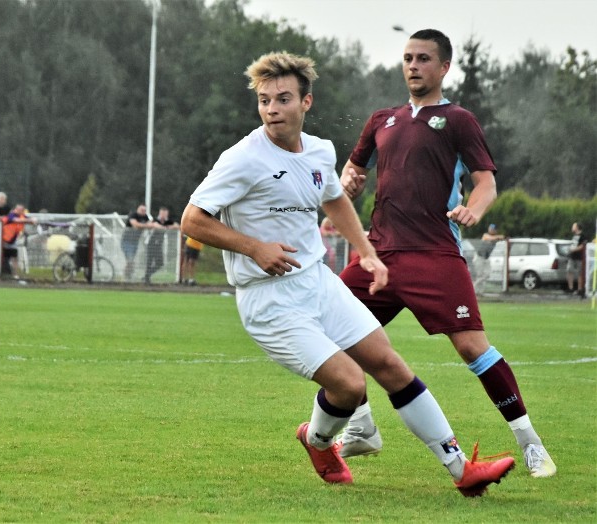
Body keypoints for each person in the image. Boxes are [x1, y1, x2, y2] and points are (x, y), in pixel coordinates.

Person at [180, 51, 514, 495]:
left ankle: (462, 472)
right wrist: (253, 247)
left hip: (316, 283)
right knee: (351, 386)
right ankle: (318, 441)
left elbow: (334, 198)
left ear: (307, 102)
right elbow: (192, 220)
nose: (272, 109)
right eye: (264, 101)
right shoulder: (242, 158)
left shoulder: (319, 151)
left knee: (390, 365)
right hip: (269, 300)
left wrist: (367, 253)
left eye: (282, 99)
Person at [338, 29, 555, 478]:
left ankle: (529, 441)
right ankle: (360, 428)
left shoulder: (458, 120)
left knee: (473, 347)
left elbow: (486, 183)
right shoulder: (383, 119)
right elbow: (354, 167)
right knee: (331, 327)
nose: (413, 65)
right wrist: (349, 181)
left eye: (422, 58)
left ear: (443, 67)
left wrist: (473, 210)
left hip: (435, 254)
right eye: (407, 58)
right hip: (378, 255)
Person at [120, 203, 157, 280]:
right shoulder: (133, 215)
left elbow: (151, 224)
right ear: (138, 209)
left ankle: (128, 275)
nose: (143, 211)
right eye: (142, 210)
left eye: (144, 210)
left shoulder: (145, 217)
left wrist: (148, 225)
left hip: (135, 243)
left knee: (131, 261)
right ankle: (126, 276)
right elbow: (135, 225)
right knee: (130, 260)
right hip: (126, 241)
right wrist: (146, 226)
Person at [144, 206, 180, 284]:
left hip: (159, 244)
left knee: (160, 263)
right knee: (149, 261)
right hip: (151, 243)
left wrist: (168, 227)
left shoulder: (168, 221)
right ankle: (146, 279)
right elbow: (151, 224)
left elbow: (177, 226)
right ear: (160, 213)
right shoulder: (155, 219)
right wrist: (162, 227)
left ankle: (147, 275)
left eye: (165, 214)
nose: (163, 215)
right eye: (162, 214)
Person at [0, 204, 35, 277]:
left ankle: (15, 275)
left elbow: (30, 219)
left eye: (21, 210)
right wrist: (29, 220)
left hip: (12, 241)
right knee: (3, 258)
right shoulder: (11, 215)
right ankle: (3, 273)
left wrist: (33, 220)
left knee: (14, 257)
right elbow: (16, 220)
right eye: (18, 209)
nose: (19, 211)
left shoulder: (22, 216)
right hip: (4, 240)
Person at [472, 224, 505, 293]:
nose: (492, 230)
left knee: (487, 274)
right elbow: (488, 238)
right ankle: (476, 291)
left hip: (486, 258)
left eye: (493, 229)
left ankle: (475, 288)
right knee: (480, 275)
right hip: (479, 257)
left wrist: (500, 237)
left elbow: (503, 237)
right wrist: (498, 237)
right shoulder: (486, 235)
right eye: (491, 228)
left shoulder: (496, 238)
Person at [566, 222, 587, 297]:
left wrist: (574, 250)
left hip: (579, 257)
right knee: (569, 271)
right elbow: (573, 244)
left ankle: (580, 289)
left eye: (573, 226)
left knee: (580, 273)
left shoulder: (583, 236)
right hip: (572, 257)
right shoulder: (574, 236)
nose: (572, 228)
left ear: (577, 227)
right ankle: (570, 288)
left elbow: (582, 246)